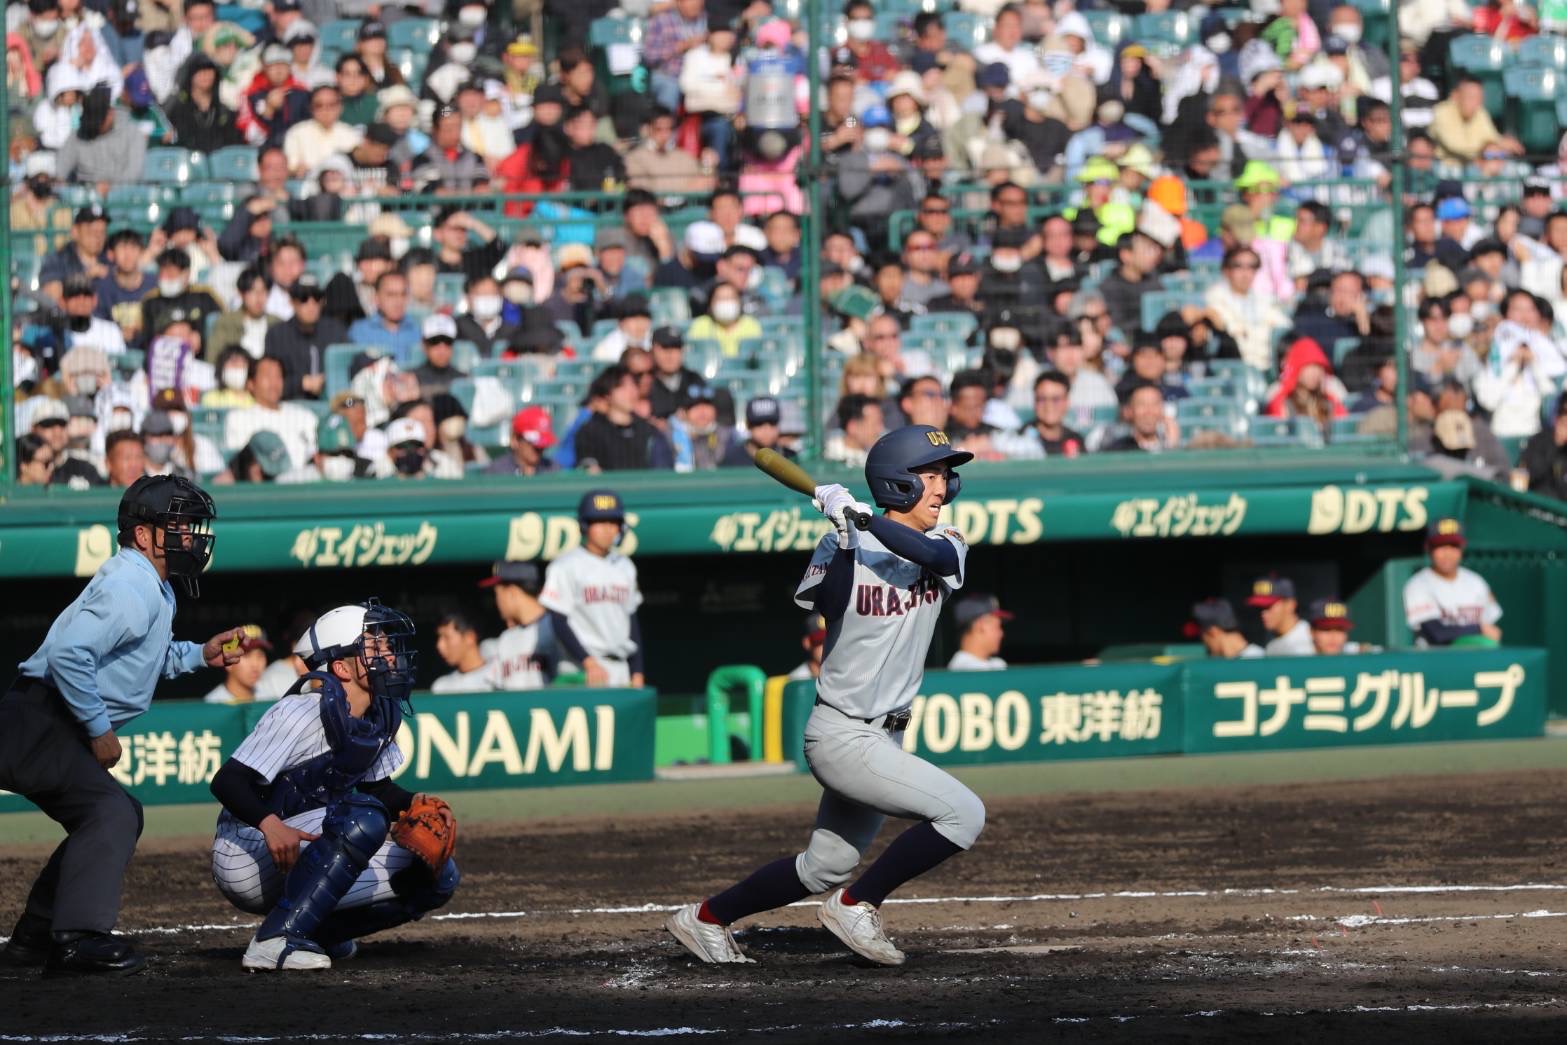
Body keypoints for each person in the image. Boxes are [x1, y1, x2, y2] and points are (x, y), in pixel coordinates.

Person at [666, 425, 984, 966]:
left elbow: (933, 559)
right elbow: (830, 605)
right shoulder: (846, 543)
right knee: (963, 814)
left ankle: (704, 919)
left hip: (887, 736)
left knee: (823, 867)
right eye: (930, 475)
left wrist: (865, 519)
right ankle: (857, 906)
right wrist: (843, 535)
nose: (943, 486)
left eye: (944, 476)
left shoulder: (949, 540)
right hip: (843, 734)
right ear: (898, 484)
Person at [0, 477, 251, 975]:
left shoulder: (150, 585)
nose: (190, 536)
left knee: (112, 815)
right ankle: (75, 939)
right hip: (43, 717)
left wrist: (200, 654)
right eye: (176, 525)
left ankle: (34, 942)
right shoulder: (129, 585)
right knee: (111, 815)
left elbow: (143, 658)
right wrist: (99, 729)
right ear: (143, 535)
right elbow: (71, 655)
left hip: (44, 719)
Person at [207, 600, 459, 971]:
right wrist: (269, 824)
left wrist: (416, 802)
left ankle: (317, 933)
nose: (388, 651)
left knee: (437, 876)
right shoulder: (301, 710)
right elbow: (227, 781)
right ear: (341, 666)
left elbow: (379, 790)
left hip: (306, 843)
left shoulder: (379, 712)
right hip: (247, 850)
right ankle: (275, 941)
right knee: (364, 818)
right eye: (373, 645)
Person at [539, 491, 645, 688]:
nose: (608, 529)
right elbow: (559, 621)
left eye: (613, 522)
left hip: (620, 667)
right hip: (581, 668)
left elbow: (631, 622)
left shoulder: (625, 565)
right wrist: (587, 661)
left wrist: (637, 671)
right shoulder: (565, 565)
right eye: (600, 522)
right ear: (585, 525)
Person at [1403, 518, 1503, 647]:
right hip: (1434, 659)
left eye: (1453, 546)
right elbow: (1436, 633)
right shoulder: (1418, 585)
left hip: (1476, 658)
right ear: (1428, 548)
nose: (1447, 553)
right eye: (1440, 546)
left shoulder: (1476, 582)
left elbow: (1491, 629)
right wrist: (1478, 628)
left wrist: (1484, 631)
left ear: (1462, 548)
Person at [573, 365, 673, 471]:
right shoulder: (590, 432)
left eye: (633, 385)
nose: (631, 392)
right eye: (622, 386)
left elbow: (663, 470)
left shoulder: (650, 432)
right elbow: (588, 467)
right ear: (608, 394)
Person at [478, 561, 557, 690]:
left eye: (497, 593)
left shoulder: (557, 628)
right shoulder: (506, 639)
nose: (496, 601)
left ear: (511, 592)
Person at [1245, 576, 1313, 655]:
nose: (1263, 613)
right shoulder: (1271, 640)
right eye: (1259, 608)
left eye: (1268, 606)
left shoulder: (1309, 639)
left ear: (1290, 605)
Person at [203, 627, 273, 703]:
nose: (255, 664)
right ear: (228, 660)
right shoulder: (212, 704)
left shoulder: (269, 701)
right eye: (246, 655)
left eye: (260, 656)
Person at [430, 610, 492, 694]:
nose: (439, 645)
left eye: (446, 637)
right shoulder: (442, 688)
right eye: (439, 637)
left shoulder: (499, 678)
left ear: (470, 637)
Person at [722, 396, 793, 467]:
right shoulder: (732, 460)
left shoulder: (791, 458)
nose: (767, 429)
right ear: (748, 425)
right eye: (759, 423)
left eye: (772, 422)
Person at [487, 407, 558, 477]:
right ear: (514, 440)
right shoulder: (497, 472)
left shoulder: (553, 470)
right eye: (532, 442)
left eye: (543, 443)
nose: (539, 448)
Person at [947, 595, 1012, 671]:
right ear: (980, 625)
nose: (1001, 633)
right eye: (997, 626)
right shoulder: (964, 668)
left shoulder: (997, 663)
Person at [1191, 598, 1265, 659]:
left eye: (1203, 637)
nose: (1205, 644)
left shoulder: (1260, 659)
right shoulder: (1258, 656)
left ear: (1213, 631)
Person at [787, 612, 827, 682]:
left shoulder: (846, 673)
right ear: (807, 643)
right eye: (820, 641)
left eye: (832, 640)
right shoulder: (795, 680)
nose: (827, 645)